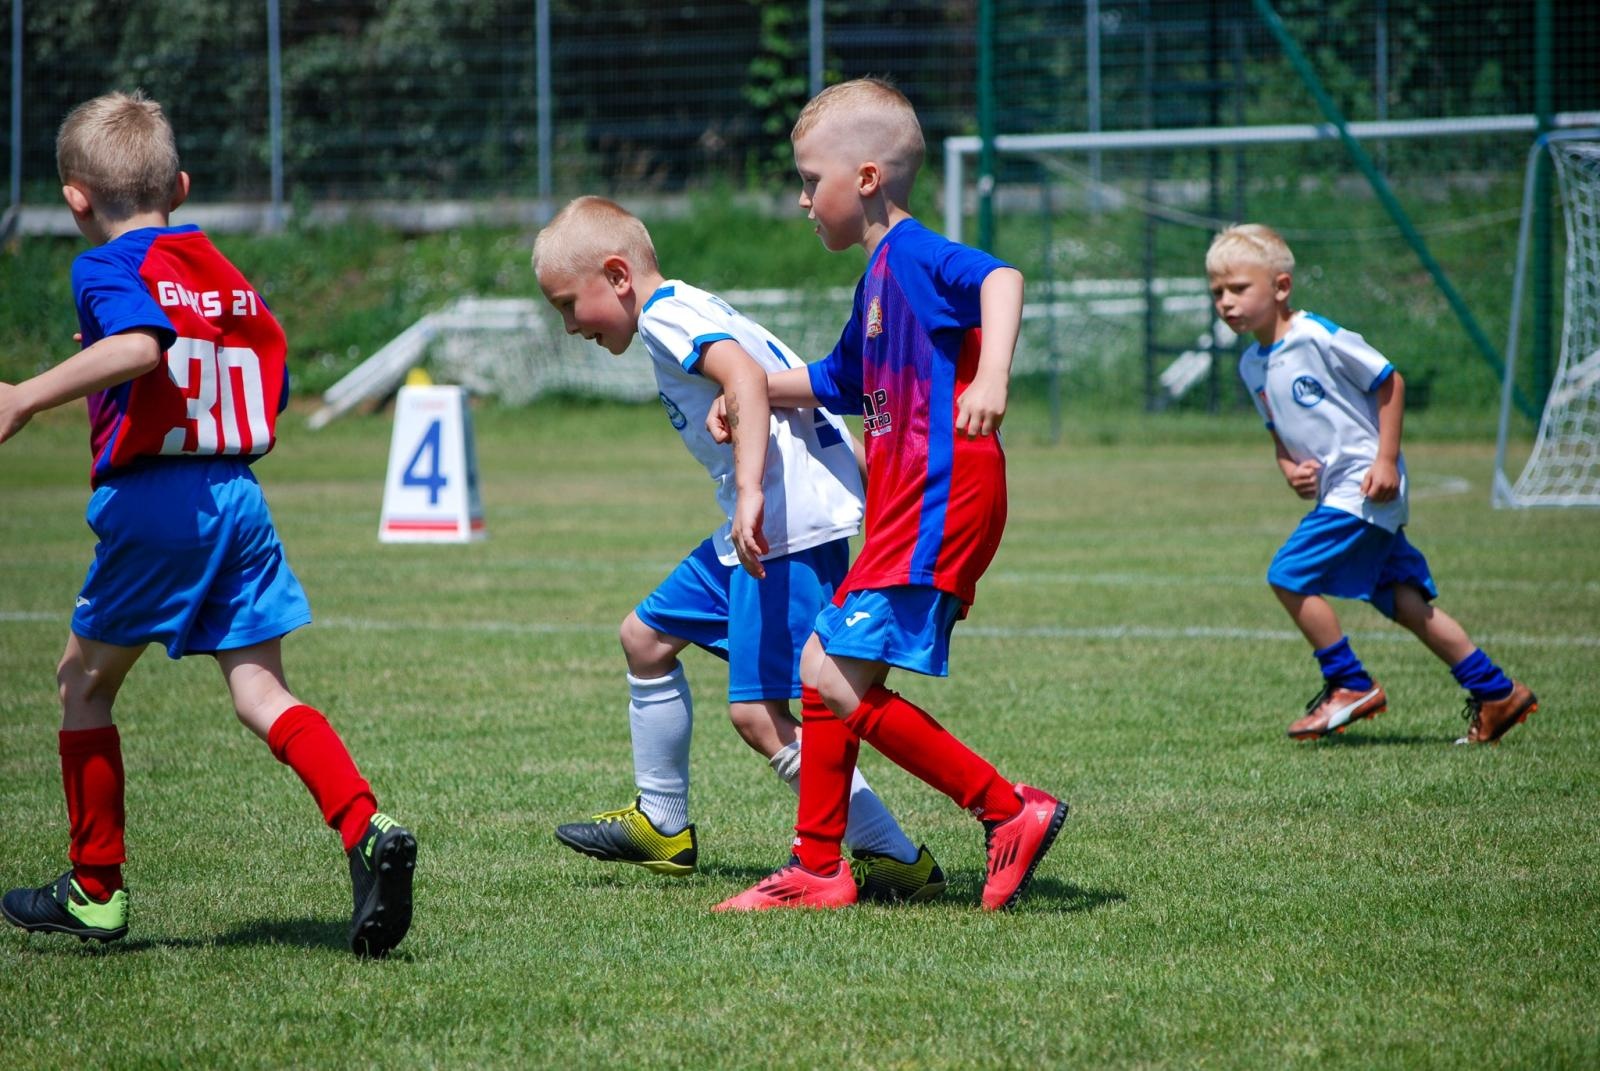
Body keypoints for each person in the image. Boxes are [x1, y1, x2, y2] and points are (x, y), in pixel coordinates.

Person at [0, 91, 415, 956]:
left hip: (160, 500)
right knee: (261, 693)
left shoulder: (107, 267)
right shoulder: (221, 269)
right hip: (237, 495)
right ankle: (366, 828)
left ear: (75, 198)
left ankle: (95, 888)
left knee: (83, 683)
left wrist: (27, 397)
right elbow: (270, 372)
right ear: (179, 186)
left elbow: (144, 345)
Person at [711, 78, 1068, 914]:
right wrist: (749, 390)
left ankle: (1009, 809)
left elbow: (1003, 278)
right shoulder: (876, 279)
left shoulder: (913, 254)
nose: (802, 200)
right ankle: (818, 865)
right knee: (821, 672)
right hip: (906, 505)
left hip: (943, 495)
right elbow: (836, 377)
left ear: (866, 177)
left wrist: (991, 373)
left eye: (810, 180)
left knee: (829, 671)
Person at [531, 195, 945, 903]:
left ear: (618, 275)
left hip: (782, 526)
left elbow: (748, 378)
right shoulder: (691, 305)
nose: (570, 325)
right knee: (645, 637)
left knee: (765, 714)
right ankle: (662, 822)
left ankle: (893, 854)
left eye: (571, 304)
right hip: (761, 523)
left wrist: (750, 488)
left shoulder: (666, 317)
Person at [1206, 223, 1537, 744]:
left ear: (1281, 287)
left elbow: (1389, 380)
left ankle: (1349, 683)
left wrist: (1386, 460)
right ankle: (1496, 692)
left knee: (1289, 574)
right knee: (1403, 601)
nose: (1226, 302)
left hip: (1362, 488)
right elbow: (1279, 431)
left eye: (1238, 289)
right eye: (1217, 293)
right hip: (1339, 492)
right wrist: (1288, 467)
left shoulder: (1316, 337)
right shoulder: (1252, 363)